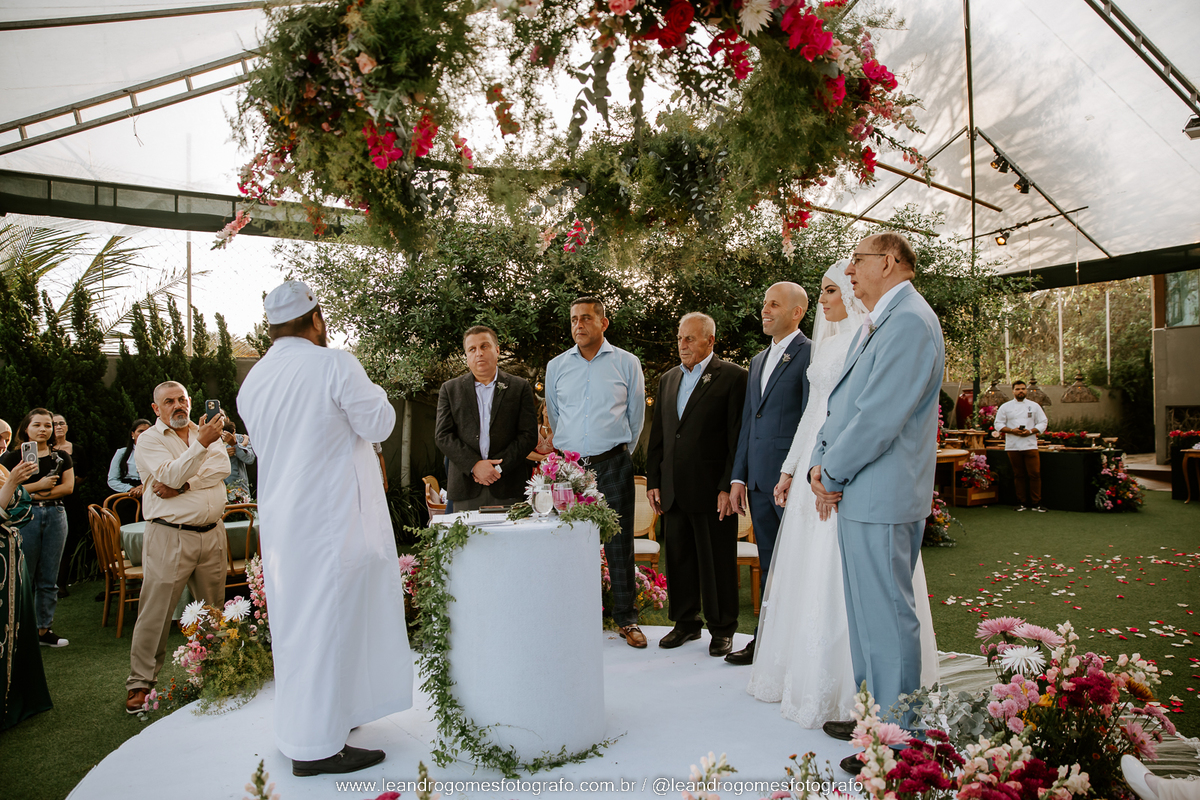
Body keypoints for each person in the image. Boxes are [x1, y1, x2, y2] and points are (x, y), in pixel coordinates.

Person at [746, 261, 939, 726]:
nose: (826, 299)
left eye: (832, 290)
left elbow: (872, 418)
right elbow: (818, 413)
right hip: (821, 467)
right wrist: (794, 468)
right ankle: (841, 694)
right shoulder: (836, 343)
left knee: (866, 598)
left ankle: (882, 716)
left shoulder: (882, 332)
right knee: (823, 583)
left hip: (853, 479)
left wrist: (830, 474)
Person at [238, 280, 411, 777]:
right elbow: (378, 424)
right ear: (316, 319)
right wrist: (376, 389)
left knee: (299, 627)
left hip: (284, 523)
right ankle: (315, 749)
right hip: (332, 521)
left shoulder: (253, 381)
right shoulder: (335, 364)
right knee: (328, 625)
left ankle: (323, 721)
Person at [807, 234, 945, 775]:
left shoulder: (909, 321)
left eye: (856, 261)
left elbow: (879, 417)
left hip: (883, 493)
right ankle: (874, 720)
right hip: (862, 492)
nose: (849, 272)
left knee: (887, 618)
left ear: (888, 262)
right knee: (867, 616)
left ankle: (900, 740)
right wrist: (819, 460)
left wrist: (831, 471)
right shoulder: (882, 318)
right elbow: (844, 403)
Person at [545, 296, 647, 648]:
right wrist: (571, 454)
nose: (579, 325)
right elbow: (555, 416)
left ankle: (627, 619)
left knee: (619, 543)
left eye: (586, 318)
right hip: (568, 469)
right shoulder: (556, 366)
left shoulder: (627, 363)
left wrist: (615, 452)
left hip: (613, 463)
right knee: (567, 542)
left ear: (603, 323)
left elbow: (636, 416)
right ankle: (570, 617)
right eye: (574, 319)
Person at [646, 313, 748, 657]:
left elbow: (736, 437)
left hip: (713, 491)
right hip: (673, 490)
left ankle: (722, 628)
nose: (683, 344)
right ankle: (685, 623)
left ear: (710, 340)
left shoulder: (734, 376)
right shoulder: (668, 379)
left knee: (717, 563)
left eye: (690, 338)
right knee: (679, 560)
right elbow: (659, 435)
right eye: (680, 338)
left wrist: (727, 485)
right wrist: (654, 480)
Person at [125, 382, 230, 713]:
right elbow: (167, 476)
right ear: (156, 409)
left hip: (212, 533)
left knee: (212, 610)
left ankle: (214, 671)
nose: (177, 405)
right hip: (170, 534)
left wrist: (185, 484)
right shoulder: (149, 440)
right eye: (169, 401)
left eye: (182, 399)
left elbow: (222, 468)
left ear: (190, 402)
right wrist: (200, 448)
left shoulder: (204, 430)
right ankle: (141, 682)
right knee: (156, 611)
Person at [725, 282, 812, 666]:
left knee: (797, 564)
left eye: (774, 304)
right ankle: (766, 642)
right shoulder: (758, 360)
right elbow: (750, 420)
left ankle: (797, 646)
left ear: (796, 312)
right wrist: (738, 477)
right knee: (770, 563)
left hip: (790, 484)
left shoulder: (810, 354)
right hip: (759, 483)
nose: (765, 310)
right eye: (764, 303)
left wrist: (795, 473)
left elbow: (810, 421)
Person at [435, 325, 539, 510]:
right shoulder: (450, 390)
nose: (479, 353)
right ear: (466, 355)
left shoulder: (519, 387)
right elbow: (443, 436)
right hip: (465, 488)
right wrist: (474, 465)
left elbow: (528, 435)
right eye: (472, 349)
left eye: (484, 346)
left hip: (508, 487)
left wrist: (497, 468)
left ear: (497, 350)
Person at [0, 409, 74, 648]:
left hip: (56, 514)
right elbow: (6, 490)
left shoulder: (61, 457)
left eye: (48, 425)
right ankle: (21, 631)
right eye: (37, 425)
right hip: (25, 517)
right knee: (24, 575)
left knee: (50, 576)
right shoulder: (12, 459)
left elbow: (68, 488)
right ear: (26, 428)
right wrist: (39, 486)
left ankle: (44, 629)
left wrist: (34, 493)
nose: (43, 430)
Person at [1, 456, 54, 729]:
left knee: (18, 625)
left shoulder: (1, 468)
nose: (2, 443)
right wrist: (12, 482)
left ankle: (21, 696)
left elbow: (22, 508)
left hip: (11, 556)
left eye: (6, 438)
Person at [992, 380, 1048, 512]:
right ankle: (1021, 502)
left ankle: (1036, 503)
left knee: (1035, 474)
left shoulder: (1034, 406)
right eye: (1017, 389)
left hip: (1030, 444)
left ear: (1026, 390)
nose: (1020, 391)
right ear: (1013, 391)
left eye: (1023, 389)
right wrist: (1012, 430)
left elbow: (1043, 422)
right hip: (1013, 445)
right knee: (1018, 474)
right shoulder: (1005, 407)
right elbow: (998, 424)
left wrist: (1031, 431)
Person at [51, 414, 87, 597]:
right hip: (45, 498)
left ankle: (61, 584)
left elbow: (84, 473)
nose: (58, 426)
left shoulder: (77, 449)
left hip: (70, 500)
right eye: (54, 424)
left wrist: (67, 485)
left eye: (61, 423)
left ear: (66, 427)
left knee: (67, 541)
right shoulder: (44, 450)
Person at [107, 419, 152, 496]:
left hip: (151, 491)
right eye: (140, 431)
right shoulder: (122, 453)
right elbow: (112, 480)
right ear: (132, 434)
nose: (144, 434)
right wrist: (131, 489)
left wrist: (143, 487)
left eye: (147, 431)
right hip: (127, 494)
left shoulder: (157, 453)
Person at [220, 418, 256, 501]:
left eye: (221, 416)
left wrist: (236, 445)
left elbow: (250, 459)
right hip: (217, 490)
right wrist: (222, 454)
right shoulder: (209, 440)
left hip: (239, 491)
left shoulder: (241, 438)